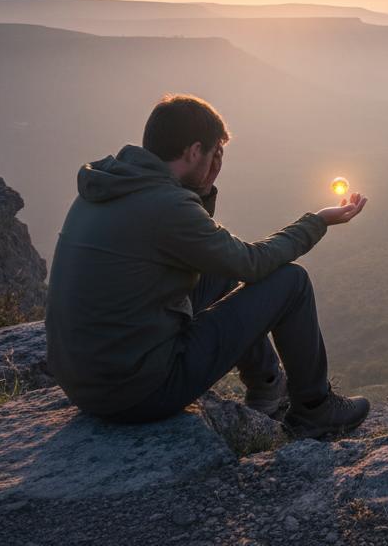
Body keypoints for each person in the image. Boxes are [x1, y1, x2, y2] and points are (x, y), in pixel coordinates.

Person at [45, 93, 370, 438]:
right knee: (291, 283)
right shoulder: (165, 205)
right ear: (194, 151)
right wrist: (316, 222)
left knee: (218, 271)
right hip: (137, 393)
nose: (217, 162)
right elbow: (251, 263)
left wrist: (202, 186)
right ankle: (315, 409)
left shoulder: (107, 185)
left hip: (83, 382)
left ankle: (268, 387)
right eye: (214, 153)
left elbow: (201, 248)